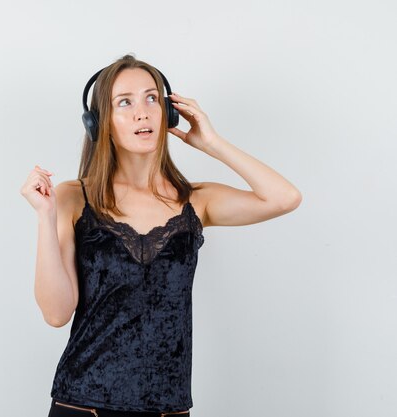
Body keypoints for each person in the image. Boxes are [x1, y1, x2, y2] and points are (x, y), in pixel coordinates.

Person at [20, 54, 302, 417]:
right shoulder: (75, 197)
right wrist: (45, 217)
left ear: (167, 113)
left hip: (168, 409)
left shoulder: (195, 201)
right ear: (100, 123)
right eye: (125, 102)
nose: (143, 112)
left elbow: (284, 198)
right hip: (84, 404)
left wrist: (212, 143)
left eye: (152, 98)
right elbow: (57, 314)